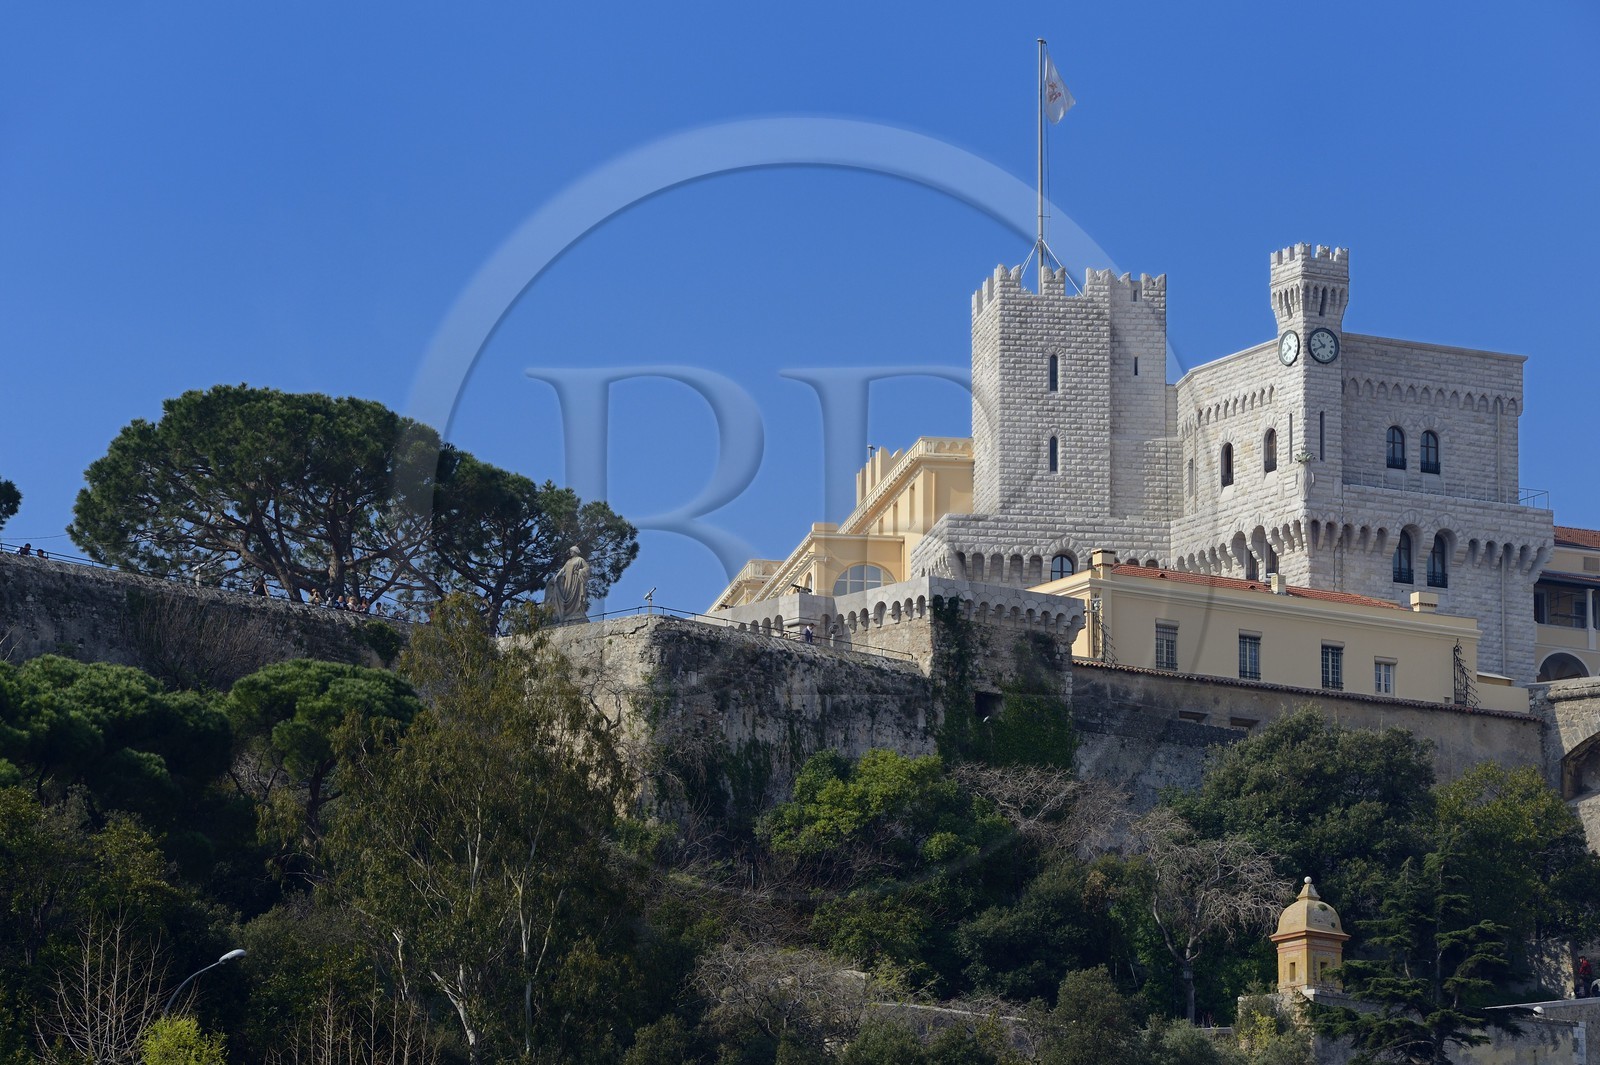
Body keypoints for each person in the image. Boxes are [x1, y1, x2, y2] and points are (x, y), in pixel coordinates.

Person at [543, 546, 591, 623]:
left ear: (575, 552)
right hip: (567, 582)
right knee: (566, 596)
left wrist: (580, 571)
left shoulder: (580, 560)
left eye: (571, 551)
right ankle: (566, 614)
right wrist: (557, 576)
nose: (570, 553)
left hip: (576, 580)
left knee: (576, 596)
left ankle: (577, 612)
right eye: (570, 551)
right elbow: (563, 569)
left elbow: (587, 568)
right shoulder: (568, 561)